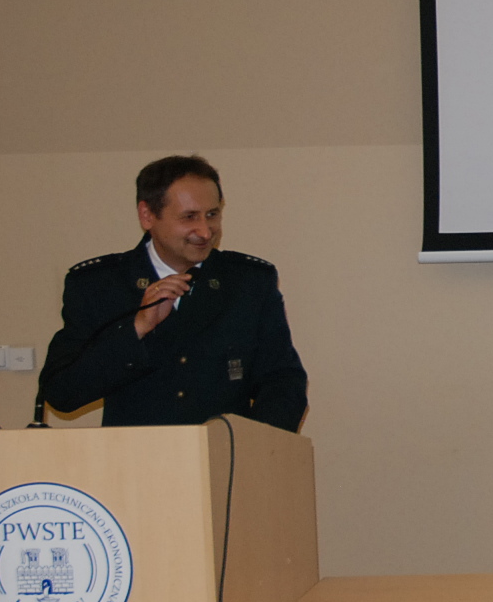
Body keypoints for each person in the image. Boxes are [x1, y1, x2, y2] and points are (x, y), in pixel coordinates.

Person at [40, 155, 308, 431]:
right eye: (189, 217)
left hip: (227, 453)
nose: (205, 232)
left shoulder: (248, 282)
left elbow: (283, 382)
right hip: (133, 454)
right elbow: (62, 393)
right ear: (147, 216)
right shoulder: (99, 285)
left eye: (212, 215)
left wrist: (253, 445)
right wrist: (136, 329)